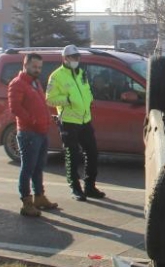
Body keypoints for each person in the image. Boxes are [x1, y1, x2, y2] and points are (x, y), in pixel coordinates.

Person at [46, 45, 106, 201]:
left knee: (92, 153)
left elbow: (86, 91)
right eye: (73, 57)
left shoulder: (81, 73)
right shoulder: (56, 76)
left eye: (77, 57)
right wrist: (67, 100)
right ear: (65, 59)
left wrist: (90, 99)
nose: (76, 60)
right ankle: (75, 188)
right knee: (72, 155)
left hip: (85, 120)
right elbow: (49, 99)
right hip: (69, 121)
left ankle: (90, 186)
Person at [8, 53, 58, 217]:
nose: (38, 70)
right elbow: (15, 108)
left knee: (39, 167)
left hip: (41, 132)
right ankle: (26, 202)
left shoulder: (35, 83)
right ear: (26, 65)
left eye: (39, 67)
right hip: (29, 133)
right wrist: (33, 120)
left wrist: (46, 119)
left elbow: (40, 104)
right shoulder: (18, 84)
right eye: (34, 67)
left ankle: (39, 197)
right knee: (28, 168)